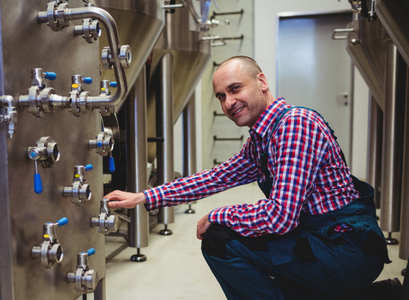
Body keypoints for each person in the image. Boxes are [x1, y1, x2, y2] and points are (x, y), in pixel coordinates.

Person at [104, 56, 394, 299]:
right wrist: (143, 197)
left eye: (235, 89)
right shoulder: (263, 139)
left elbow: (281, 217)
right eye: (221, 96)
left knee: (220, 240)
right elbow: (215, 177)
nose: (229, 102)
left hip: (345, 250)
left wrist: (220, 214)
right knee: (226, 240)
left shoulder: (295, 126)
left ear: (262, 82)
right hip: (321, 240)